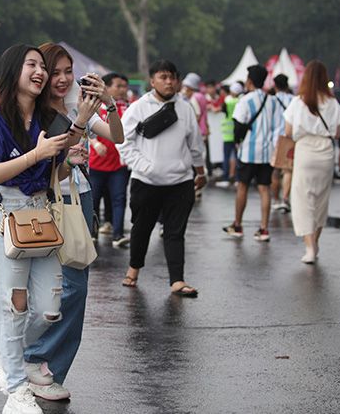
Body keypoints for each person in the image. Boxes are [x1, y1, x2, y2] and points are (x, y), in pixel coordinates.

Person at [0, 44, 85, 414]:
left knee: (50, 308)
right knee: (13, 307)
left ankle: (8, 352)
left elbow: (55, 173)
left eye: (43, 66)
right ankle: (17, 392)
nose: (41, 72)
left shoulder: (48, 119)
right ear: (13, 72)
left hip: (42, 217)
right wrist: (35, 155)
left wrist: (70, 160)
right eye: (32, 65)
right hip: (7, 216)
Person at [19, 42, 123, 403]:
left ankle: (48, 371)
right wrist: (72, 152)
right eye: (56, 71)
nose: (63, 79)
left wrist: (108, 103)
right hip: (53, 204)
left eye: (68, 71)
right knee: (65, 290)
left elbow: (118, 137)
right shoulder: (37, 114)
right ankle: (32, 359)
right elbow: (46, 172)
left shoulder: (78, 107)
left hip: (82, 201)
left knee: (74, 291)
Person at [117, 59, 206, 296]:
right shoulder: (138, 107)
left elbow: (195, 145)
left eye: (172, 77)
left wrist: (200, 171)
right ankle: (134, 268)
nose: (168, 82)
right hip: (146, 182)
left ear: (177, 81)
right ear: (152, 80)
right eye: (163, 77)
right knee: (141, 228)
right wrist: (144, 167)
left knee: (175, 232)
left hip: (180, 182)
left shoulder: (185, 108)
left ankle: (177, 280)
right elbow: (123, 142)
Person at [282, 61, 340, 264]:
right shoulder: (332, 103)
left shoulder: (298, 102)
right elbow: (337, 133)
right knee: (321, 200)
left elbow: (288, 132)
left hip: (305, 151)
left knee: (303, 200)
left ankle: (309, 247)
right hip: (326, 152)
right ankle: (315, 244)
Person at [223, 65, 275, 241]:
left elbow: (238, 127)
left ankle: (237, 225)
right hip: (267, 152)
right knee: (264, 188)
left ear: (250, 81)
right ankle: (264, 228)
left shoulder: (244, 100)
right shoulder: (272, 100)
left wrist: (238, 142)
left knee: (243, 186)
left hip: (248, 151)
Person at [89, 72, 130, 246]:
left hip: (119, 165)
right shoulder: (95, 107)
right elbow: (82, 128)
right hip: (96, 164)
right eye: (118, 86)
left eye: (124, 86)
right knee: (93, 200)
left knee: (119, 199)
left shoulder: (129, 107)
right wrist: (95, 143)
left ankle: (118, 235)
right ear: (106, 87)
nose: (122, 90)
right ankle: (92, 233)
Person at [270, 74, 295, 213]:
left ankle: (275, 199)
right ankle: (285, 199)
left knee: (274, 171)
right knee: (288, 169)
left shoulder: (271, 101)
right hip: (290, 137)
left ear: (275, 86)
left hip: (275, 138)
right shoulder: (294, 100)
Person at [217, 83, 242, 185]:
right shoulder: (240, 101)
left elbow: (221, 110)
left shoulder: (227, 100)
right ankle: (237, 178)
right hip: (236, 134)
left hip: (227, 134)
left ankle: (226, 177)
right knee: (237, 157)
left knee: (226, 157)